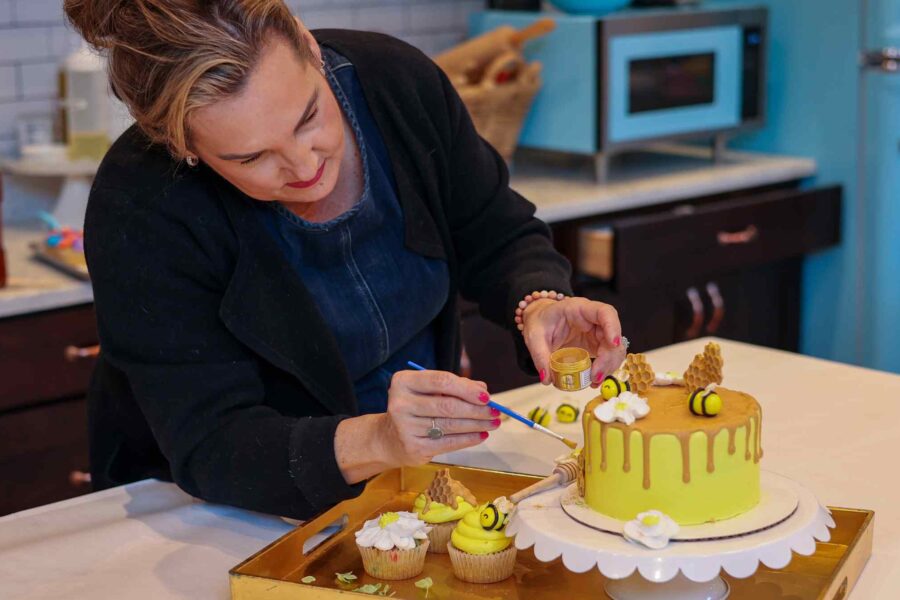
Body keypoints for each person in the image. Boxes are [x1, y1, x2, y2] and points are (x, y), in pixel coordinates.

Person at [64, 0, 625, 519]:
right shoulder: (141, 205)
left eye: (309, 116)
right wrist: (377, 440)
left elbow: (495, 230)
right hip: (217, 511)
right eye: (251, 156)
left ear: (309, 48)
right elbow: (213, 445)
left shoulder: (396, 83)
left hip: (406, 479)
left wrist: (539, 300)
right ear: (181, 146)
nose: (304, 164)